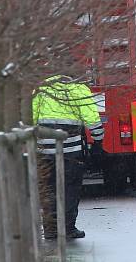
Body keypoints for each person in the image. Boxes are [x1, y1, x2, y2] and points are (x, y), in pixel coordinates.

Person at [33, 74, 105, 240]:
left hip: (45, 151)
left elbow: (31, 119)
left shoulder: (40, 88)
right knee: (70, 188)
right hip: (71, 150)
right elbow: (93, 120)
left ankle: (50, 229)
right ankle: (68, 228)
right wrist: (98, 142)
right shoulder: (79, 89)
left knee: (49, 188)